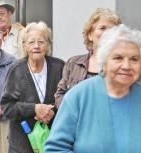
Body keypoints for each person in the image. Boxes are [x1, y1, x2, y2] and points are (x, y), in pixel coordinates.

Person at [45, 24, 141, 153]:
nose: (126, 66)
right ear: (104, 61)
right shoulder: (78, 97)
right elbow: (55, 149)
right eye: (118, 58)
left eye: (134, 59)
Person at [0, 21, 65, 153]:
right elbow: (7, 108)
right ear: (24, 46)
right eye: (31, 42)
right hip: (22, 144)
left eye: (41, 42)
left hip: (53, 142)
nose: (36, 46)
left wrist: (52, 111)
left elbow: (68, 100)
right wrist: (34, 109)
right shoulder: (16, 70)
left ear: (47, 45)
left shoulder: (59, 67)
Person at [54, 8, 122, 108]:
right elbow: (60, 95)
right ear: (90, 35)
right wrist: (73, 113)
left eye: (111, 30)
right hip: (77, 121)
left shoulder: (123, 66)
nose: (107, 33)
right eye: (102, 28)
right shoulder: (73, 63)